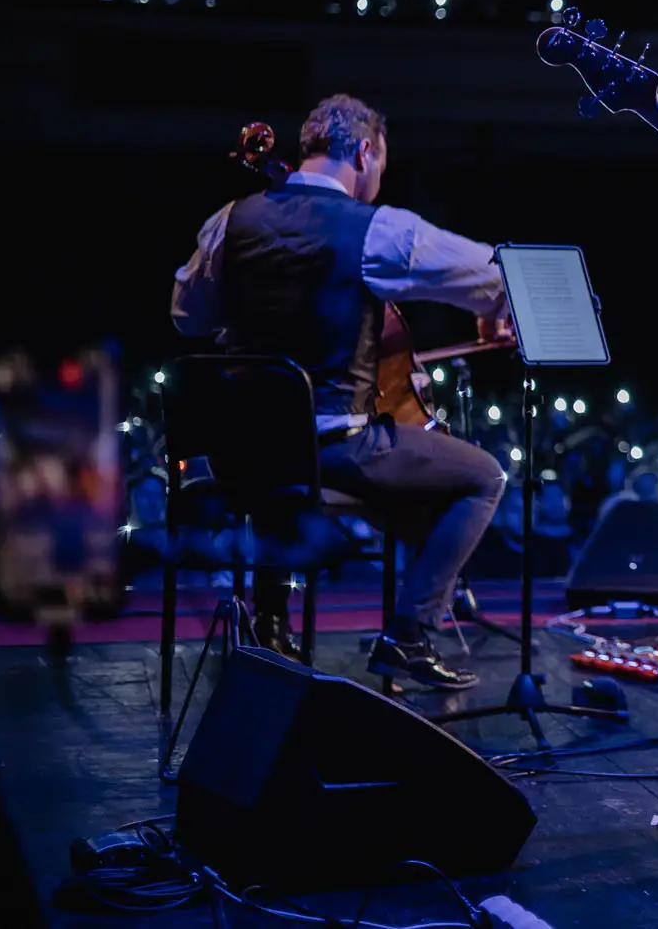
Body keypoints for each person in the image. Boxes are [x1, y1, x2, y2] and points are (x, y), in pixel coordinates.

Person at [171, 94, 511, 689]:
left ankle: (272, 619)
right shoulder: (377, 230)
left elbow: (187, 318)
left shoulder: (230, 220)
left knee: (404, 477)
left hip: (238, 457)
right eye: (381, 163)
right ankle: (408, 634)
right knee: (482, 476)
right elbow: (491, 273)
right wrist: (491, 309)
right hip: (331, 452)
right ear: (365, 149)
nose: (379, 177)